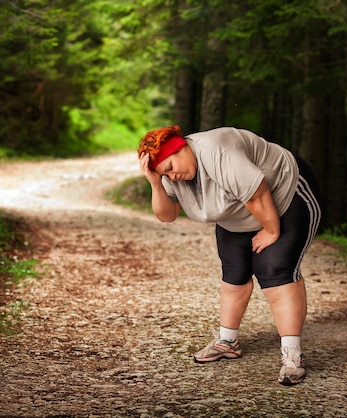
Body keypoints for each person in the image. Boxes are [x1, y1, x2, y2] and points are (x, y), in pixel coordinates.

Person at [137, 126, 322, 385]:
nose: (173, 176)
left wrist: (270, 231)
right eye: (165, 173)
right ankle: (227, 341)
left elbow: (257, 194)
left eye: (170, 168)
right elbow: (166, 215)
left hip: (285, 196)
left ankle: (293, 356)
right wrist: (155, 181)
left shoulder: (217, 151)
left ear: (181, 148)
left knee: (275, 271)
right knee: (234, 275)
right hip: (237, 212)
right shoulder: (169, 175)